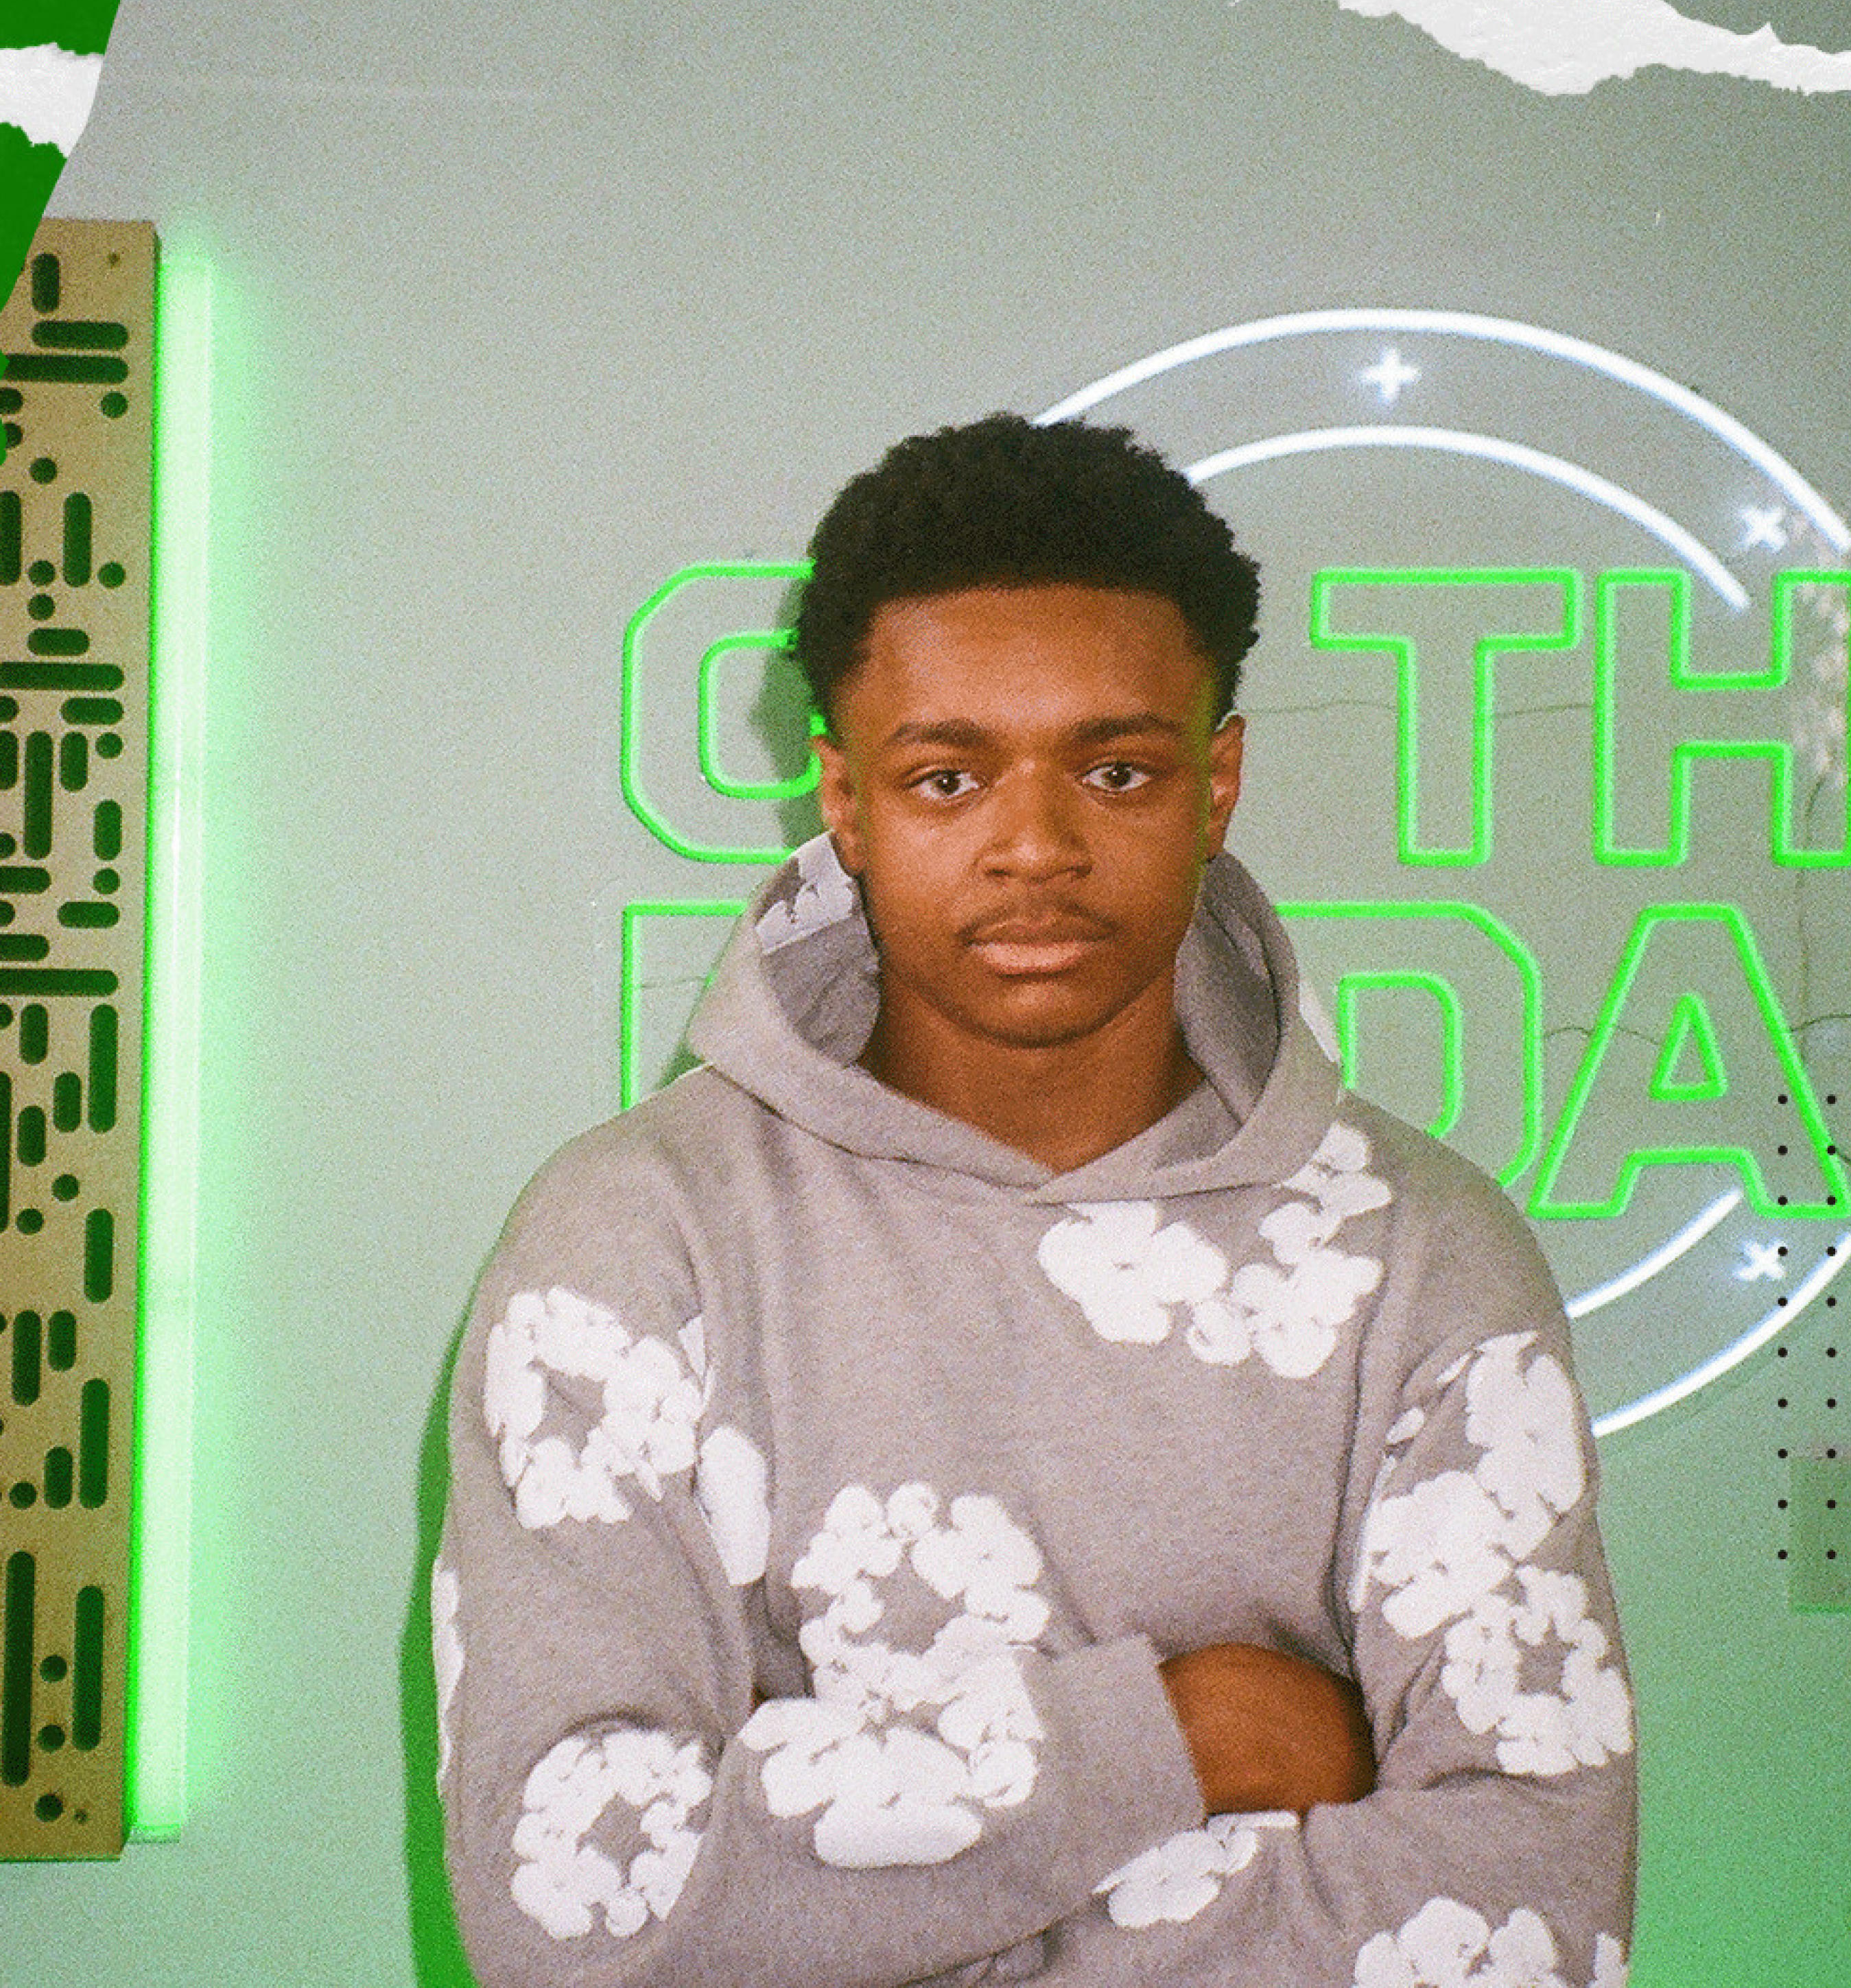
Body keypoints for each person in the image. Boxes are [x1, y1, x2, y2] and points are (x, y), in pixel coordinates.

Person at [434, 414, 1636, 1987]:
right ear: (844, 800)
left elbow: (1532, 1915)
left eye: (1115, 770)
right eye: (948, 778)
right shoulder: (636, 1243)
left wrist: (851, 1901)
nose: (1036, 848)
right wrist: (1179, 1738)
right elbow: (570, 1906)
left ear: (1217, 785)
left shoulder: (1424, 1253)